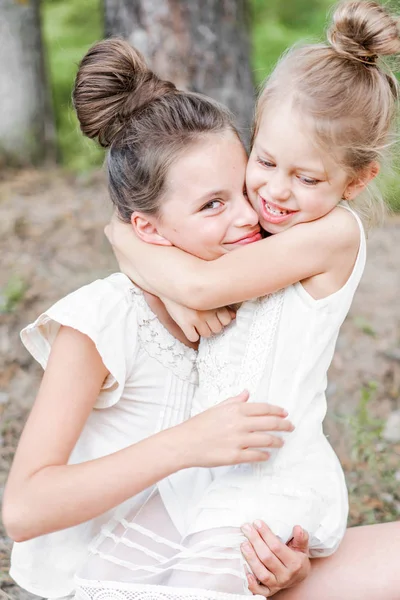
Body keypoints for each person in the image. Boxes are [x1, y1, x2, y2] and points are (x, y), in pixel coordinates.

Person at [96, 1, 400, 598]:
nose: (276, 191)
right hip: (199, 474)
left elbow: (199, 285)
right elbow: (174, 266)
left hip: (269, 483)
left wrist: (119, 238)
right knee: (105, 577)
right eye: (264, 161)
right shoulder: (260, 227)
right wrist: (135, 248)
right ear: (253, 140)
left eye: (307, 178)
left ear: (356, 181)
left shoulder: (331, 235)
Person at [2, 40, 302, 600]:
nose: (246, 215)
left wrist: (283, 562)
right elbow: (23, 509)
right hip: (94, 580)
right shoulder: (105, 320)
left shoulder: (260, 301)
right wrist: (186, 443)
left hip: (200, 561)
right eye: (212, 204)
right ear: (148, 229)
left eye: (244, 189)